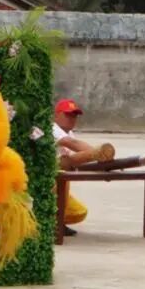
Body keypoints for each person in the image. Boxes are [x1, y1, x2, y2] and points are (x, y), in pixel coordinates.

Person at [52, 98, 90, 234]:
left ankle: (58, 221)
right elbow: (73, 144)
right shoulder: (52, 129)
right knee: (60, 178)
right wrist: (99, 152)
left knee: (80, 212)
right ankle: (53, 223)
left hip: (60, 181)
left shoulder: (69, 133)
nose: (72, 119)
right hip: (47, 181)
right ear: (56, 115)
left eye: (74, 116)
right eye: (68, 115)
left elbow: (78, 156)